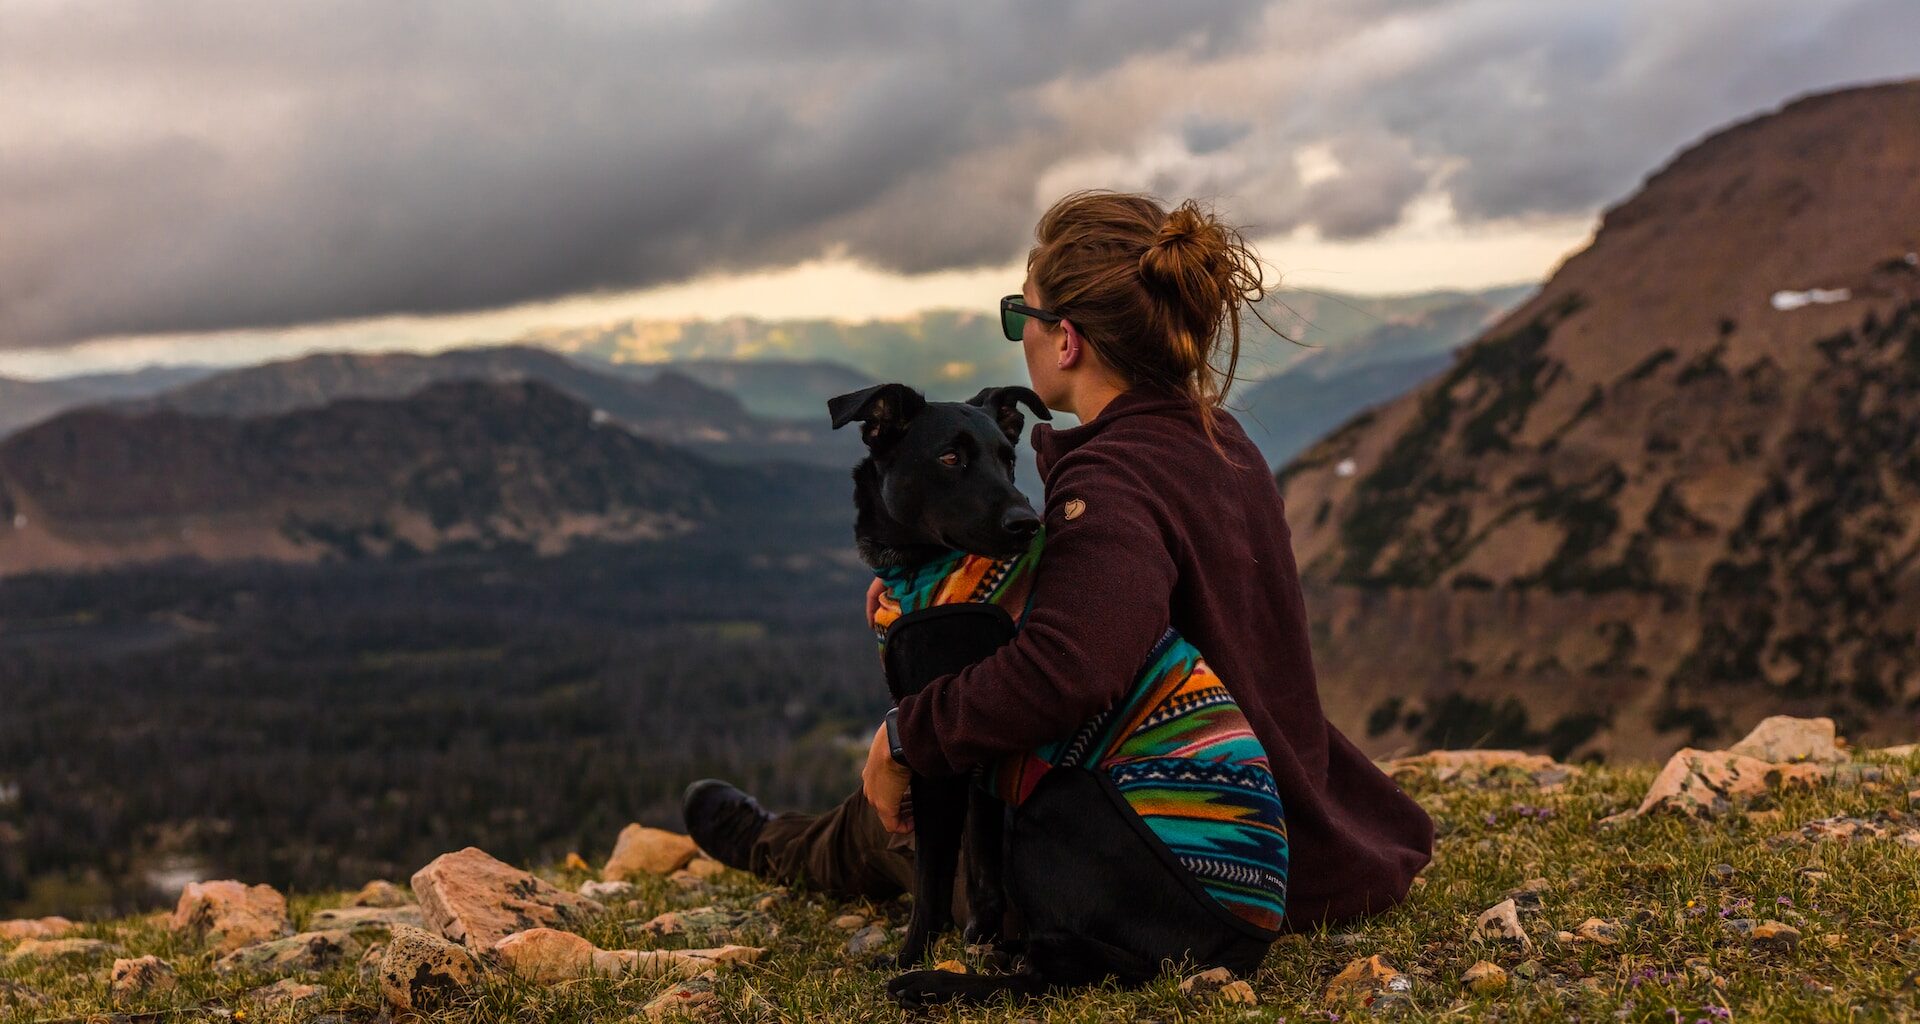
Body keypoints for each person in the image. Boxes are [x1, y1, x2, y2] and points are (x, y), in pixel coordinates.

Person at [684, 189, 1432, 932]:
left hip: (1182, 851)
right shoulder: (1217, 437)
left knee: (894, 824)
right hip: (1292, 813)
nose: (1021, 335)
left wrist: (906, 733)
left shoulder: (1112, 475)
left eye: (1022, 313)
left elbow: (1069, 667)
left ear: (1066, 339)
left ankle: (771, 846)